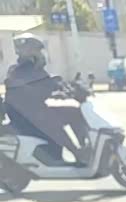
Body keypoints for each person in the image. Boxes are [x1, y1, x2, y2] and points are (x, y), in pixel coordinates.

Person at [4, 33, 90, 164]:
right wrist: (54, 85)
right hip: (23, 115)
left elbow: (43, 87)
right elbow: (38, 86)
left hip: (33, 110)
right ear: (28, 51)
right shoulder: (19, 69)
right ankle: (77, 152)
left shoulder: (34, 68)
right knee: (52, 121)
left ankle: (84, 147)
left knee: (73, 111)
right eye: (36, 50)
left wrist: (65, 89)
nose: (40, 53)